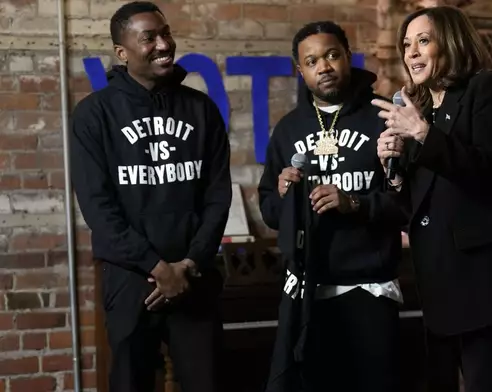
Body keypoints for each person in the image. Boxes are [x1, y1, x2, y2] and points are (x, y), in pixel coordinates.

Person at [372, 6, 492, 392]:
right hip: (442, 286)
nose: (411, 53)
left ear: (452, 42)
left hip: (488, 283)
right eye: (406, 44)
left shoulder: (487, 89)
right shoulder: (421, 111)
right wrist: (391, 167)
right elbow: (419, 207)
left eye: (423, 41)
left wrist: (423, 136)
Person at [69, 2, 232, 391]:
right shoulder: (94, 115)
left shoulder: (201, 109)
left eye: (166, 33)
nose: (164, 44)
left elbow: (217, 196)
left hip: (194, 276)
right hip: (131, 281)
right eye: (149, 38)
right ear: (122, 52)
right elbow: (98, 208)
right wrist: (158, 268)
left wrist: (189, 263)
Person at [258, 21, 408, 392]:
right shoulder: (289, 129)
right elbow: (270, 212)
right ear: (301, 71)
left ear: (347, 57)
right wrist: (283, 196)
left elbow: (406, 206)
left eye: (331, 55)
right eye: (311, 61)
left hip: (369, 287)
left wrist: (352, 202)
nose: (323, 66)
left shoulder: (382, 119)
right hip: (310, 294)